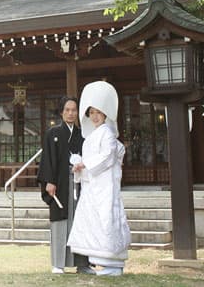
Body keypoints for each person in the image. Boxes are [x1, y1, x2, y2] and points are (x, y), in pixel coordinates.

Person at [67, 80, 131, 276]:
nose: (95, 116)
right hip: (92, 186)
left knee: (107, 218)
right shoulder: (92, 136)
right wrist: (79, 166)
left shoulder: (108, 134)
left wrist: (85, 164)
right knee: (95, 221)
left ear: (105, 114)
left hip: (105, 185)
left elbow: (107, 156)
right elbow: (89, 159)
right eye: (91, 112)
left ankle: (114, 265)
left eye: (98, 112)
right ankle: (104, 263)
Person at [36, 96, 91, 274]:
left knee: (80, 221)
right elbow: (48, 160)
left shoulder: (82, 135)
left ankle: (82, 264)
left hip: (79, 182)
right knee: (60, 221)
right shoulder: (53, 133)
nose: (70, 113)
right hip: (59, 183)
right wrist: (49, 181)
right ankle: (58, 263)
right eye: (67, 110)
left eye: (74, 110)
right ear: (61, 112)